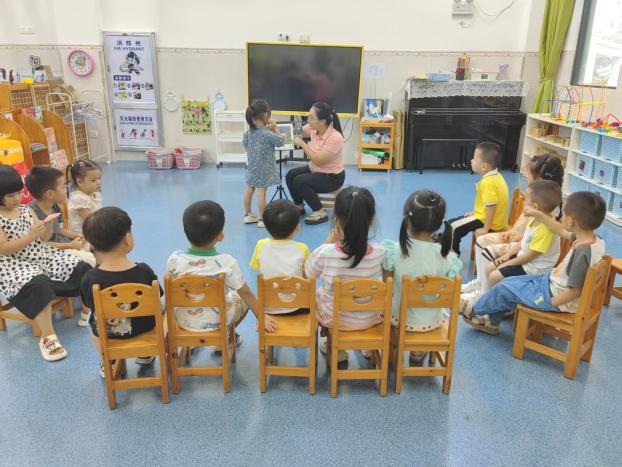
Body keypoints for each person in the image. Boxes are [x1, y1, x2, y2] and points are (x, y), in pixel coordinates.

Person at [462, 191, 606, 335]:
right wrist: (539, 214)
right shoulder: (592, 240)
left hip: (553, 297)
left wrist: (549, 303)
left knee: (505, 288)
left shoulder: (582, 253)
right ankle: (491, 321)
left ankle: (475, 310)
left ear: (571, 221)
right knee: (509, 283)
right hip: (550, 284)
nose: (560, 218)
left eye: (563, 215)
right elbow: (559, 229)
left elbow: (575, 291)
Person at [0, 165, 91, 361]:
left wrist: (47, 225)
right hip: (13, 265)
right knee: (38, 283)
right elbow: (5, 249)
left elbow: (44, 239)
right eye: (10, 195)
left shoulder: (25, 210)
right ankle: (48, 336)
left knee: (80, 265)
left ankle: (91, 310)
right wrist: (31, 235)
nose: (17, 198)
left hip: (40, 255)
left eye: (19, 192)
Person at [166, 200, 276, 342]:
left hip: (184, 322)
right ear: (220, 235)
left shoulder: (174, 259)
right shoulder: (226, 262)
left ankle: (190, 342)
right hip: (218, 322)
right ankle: (225, 338)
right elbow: (246, 293)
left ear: (186, 231)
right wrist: (261, 316)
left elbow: (169, 291)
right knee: (241, 298)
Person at [462, 154, 564, 296]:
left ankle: (483, 291)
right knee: (484, 247)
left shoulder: (543, 210)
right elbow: (524, 230)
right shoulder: (538, 203)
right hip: (522, 244)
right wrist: (511, 234)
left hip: (528, 255)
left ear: (538, 178)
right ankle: (481, 285)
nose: (526, 177)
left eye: (528, 174)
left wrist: (511, 250)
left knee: (485, 249)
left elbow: (530, 246)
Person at [381, 190, 463, 365]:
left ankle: (392, 349)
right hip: (432, 322)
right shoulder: (448, 258)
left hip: (398, 321)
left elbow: (386, 288)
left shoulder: (393, 251)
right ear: (439, 224)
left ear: (407, 220)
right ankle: (418, 351)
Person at [304, 186, 385, 362]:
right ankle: (368, 346)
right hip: (370, 318)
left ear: (336, 220)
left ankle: (336, 349)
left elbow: (308, 273)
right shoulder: (381, 253)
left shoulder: (326, 252)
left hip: (336, 320)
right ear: (371, 219)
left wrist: (328, 241)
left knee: (319, 294)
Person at [80, 207, 162, 376]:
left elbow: (88, 304)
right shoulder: (144, 271)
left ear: (93, 245)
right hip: (144, 328)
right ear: (127, 239)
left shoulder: (90, 278)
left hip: (110, 333)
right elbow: (157, 296)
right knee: (160, 306)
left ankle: (108, 360)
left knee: (91, 320)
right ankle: (145, 353)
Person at [25, 166, 96, 269]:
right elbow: (41, 244)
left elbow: (58, 229)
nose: (66, 190)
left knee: (97, 246)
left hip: (63, 243)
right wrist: (70, 246)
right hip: (51, 252)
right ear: (50, 194)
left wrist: (78, 235)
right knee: (88, 260)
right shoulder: (31, 213)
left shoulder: (54, 205)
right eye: (63, 187)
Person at [288, 101, 346, 225]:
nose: (308, 121)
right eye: (308, 117)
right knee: (290, 175)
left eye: (311, 118)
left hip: (332, 177)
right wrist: (276, 128)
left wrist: (303, 144)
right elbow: (295, 131)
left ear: (322, 121)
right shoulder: (314, 129)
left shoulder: (335, 138)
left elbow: (318, 161)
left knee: (300, 181)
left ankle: (320, 211)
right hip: (316, 169)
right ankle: (299, 206)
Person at [446, 142, 509, 255]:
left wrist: (485, 229)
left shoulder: (488, 182)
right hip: (492, 219)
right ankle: (444, 240)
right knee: (452, 222)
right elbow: (487, 204)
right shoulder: (496, 176)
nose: (471, 160)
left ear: (484, 166)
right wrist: (474, 213)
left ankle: (452, 256)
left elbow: (491, 208)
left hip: (488, 222)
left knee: (452, 227)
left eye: (474, 158)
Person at [250, 199, 311, 314]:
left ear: (266, 227)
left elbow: (259, 271)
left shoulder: (260, 245)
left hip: (268, 308)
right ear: (297, 228)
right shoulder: (302, 249)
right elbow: (308, 276)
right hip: (298, 307)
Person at [242, 99, 285, 228]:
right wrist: (275, 128)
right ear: (266, 115)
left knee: (249, 190)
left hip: (252, 167)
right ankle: (262, 219)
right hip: (264, 170)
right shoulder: (268, 134)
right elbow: (282, 141)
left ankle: (248, 215)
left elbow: (245, 146)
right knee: (261, 194)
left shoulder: (248, 133)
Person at [67, 160, 102, 234]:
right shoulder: (79, 198)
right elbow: (89, 222)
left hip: (96, 226)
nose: (98, 182)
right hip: (84, 234)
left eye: (99, 178)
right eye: (93, 180)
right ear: (80, 182)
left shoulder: (95, 192)